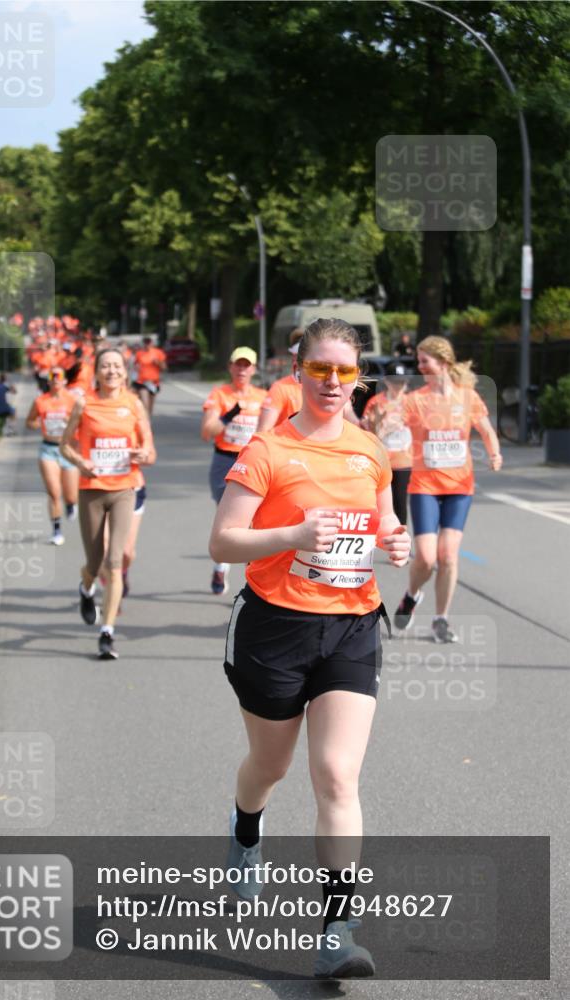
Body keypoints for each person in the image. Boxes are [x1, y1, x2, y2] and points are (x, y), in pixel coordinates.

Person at [209, 318, 410, 979]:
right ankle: (245, 826)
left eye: (344, 372)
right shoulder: (267, 450)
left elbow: (382, 523)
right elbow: (224, 542)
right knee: (270, 767)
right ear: (298, 371)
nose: (331, 382)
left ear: (358, 378)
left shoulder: (370, 450)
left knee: (336, 776)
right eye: (319, 369)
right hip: (274, 628)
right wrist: (293, 534)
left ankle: (336, 931)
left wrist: (395, 542)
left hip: (350, 626)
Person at [393, 335, 502, 642]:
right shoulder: (415, 400)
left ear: (442, 362)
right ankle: (411, 596)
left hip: (459, 487)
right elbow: (391, 425)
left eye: (423, 360)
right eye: (418, 360)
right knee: (426, 557)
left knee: (449, 556)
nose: (419, 365)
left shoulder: (468, 398)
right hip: (425, 486)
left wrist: (494, 453)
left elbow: (487, 430)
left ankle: (441, 619)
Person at [61, 347, 156, 660]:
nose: (111, 371)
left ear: (124, 372)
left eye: (116, 366)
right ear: (97, 372)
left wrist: (143, 455)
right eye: (105, 366)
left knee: (115, 561)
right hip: (92, 489)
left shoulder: (134, 404)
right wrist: (80, 461)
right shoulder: (84, 403)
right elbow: (65, 445)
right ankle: (85, 587)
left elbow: (150, 452)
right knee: (94, 561)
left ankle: (107, 632)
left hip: (124, 490)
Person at [201, 346, 267, 595]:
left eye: (246, 365)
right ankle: (221, 565)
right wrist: (229, 416)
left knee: (254, 521)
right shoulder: (220, 394)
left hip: (253, 463)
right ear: (230, 367)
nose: (242, 369)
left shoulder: (264, 397)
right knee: (229, 519)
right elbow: (207, 431)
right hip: (224, 462)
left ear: (254, 369)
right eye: (238, 364)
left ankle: (255, 579)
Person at [25, 367, 80, 546]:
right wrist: (40, 422)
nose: (55, 379)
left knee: (71, 496)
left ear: (65, 380)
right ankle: (56, 531)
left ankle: (71, 504)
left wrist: (69, 422)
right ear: (48, 381)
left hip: (69, 449)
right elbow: (30, 422)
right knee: (54, 492)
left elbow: (84, 423)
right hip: (48, 449)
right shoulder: (41, 401)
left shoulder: (73, 400)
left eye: (59, 376)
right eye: (52, 376)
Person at [361, 361, 412, 526]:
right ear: (387, 382)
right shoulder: (376, 402)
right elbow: (368, 431)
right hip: (381, 461)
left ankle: (401, 538)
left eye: (402, 382)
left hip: (403, 460)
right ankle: (376, 536)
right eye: (395, 382)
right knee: (378, 503)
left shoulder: (411, 402)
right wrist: (379, 424)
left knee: (399, 500)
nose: (399, 386)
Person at [256, 330, 304, 433]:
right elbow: (263, 430)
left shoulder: (327, 386)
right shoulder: (280, 388)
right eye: (298, 355)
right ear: (293, 357)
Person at [132, 336, 167, 415]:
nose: (147, 345)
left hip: (154, 382)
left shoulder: (158, 353)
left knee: (150, 408)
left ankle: (147, 422)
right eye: (145, 343)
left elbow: (164, 367)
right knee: (145, 404)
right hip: (142, 382)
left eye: (148, 342)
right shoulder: (139, 353)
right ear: (143, 343)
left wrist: (157, 363)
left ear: (152, 343)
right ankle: (144, 421)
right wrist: (136, 368)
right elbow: (135, 365)